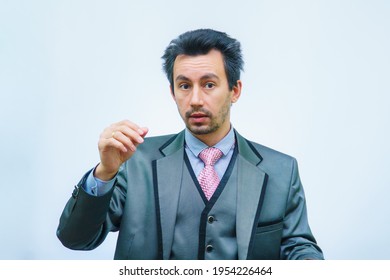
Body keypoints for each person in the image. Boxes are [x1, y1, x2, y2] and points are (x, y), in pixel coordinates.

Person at [57, 29, 324, 260]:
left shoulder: (281, 170)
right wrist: (105, 172)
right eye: (184, 86)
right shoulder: (134, 162)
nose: (195, 99)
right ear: (172, 93)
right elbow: (76, 239)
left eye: (209, 84)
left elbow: (297, 246)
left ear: (235, 90)